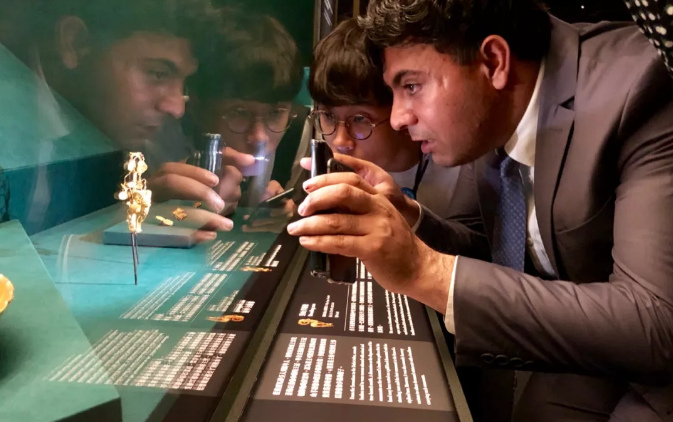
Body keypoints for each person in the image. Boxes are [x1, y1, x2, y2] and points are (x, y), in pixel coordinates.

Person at [287, 0, 673, 421]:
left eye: (411, 86)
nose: (397, 118)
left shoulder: (641, 86)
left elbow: (657, 324)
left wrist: (424, 270)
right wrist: (407, 217)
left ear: (493, 62)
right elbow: (491, 254)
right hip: (593, 356)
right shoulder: (487, 112)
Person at [0, 0, 221, 233]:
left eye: (185, 84)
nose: (177, 108)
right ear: (76, 43)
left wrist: (196, 194)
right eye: (158, 73)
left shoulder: (145, 138)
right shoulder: (10, 124)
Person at [149, 8, 307, 226]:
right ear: (197, 106)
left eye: (275, 113)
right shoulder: (152, 137)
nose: (259, 137)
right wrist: (156, 211)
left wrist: (286, 215)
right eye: (240, 113)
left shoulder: (298, 134)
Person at [308, 17, 464, 218]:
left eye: (360, 119)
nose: (339, 141)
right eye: (328, 116)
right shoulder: (320, 169)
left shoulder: (463, 164)